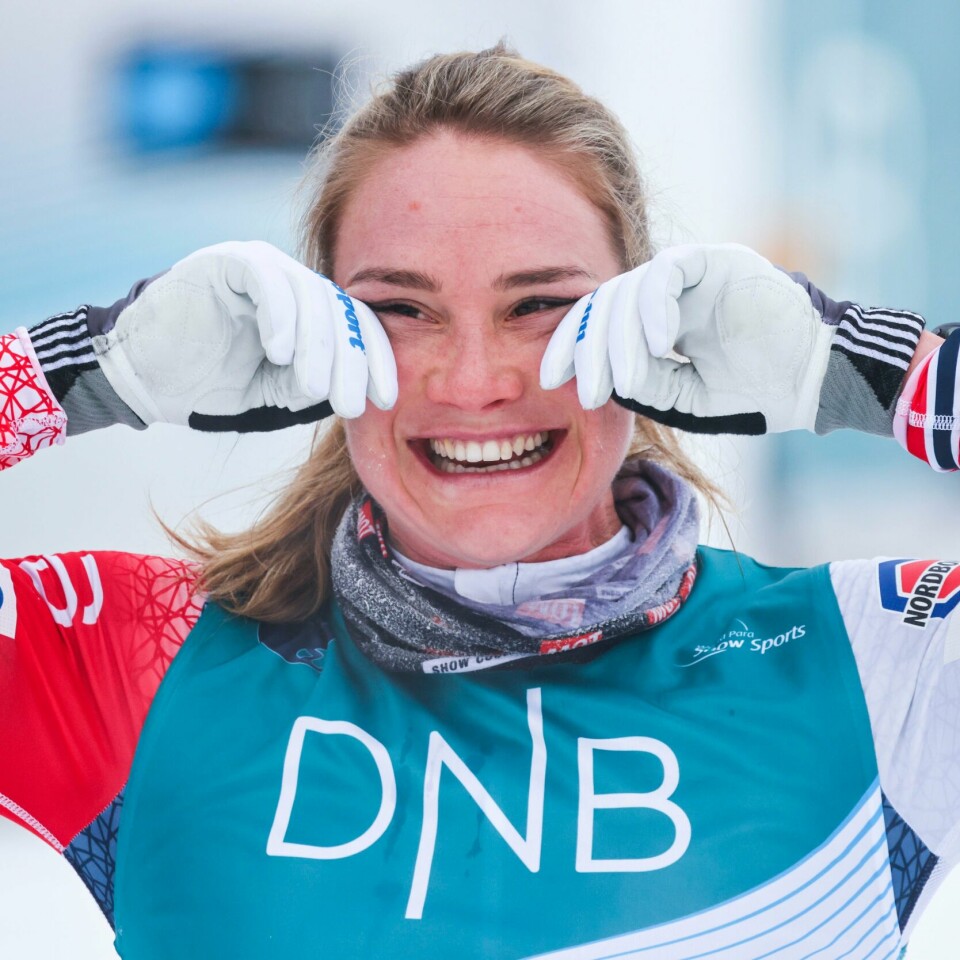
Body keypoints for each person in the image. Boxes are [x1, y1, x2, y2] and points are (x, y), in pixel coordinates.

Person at [1, 43, 957, 960]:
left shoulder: (869, 665)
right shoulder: (134, 660)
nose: (471, 382)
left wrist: (872, 369)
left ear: (652, 324)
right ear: (314, 338)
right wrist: (80, 372)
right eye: (400, 311)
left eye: (538, 304)